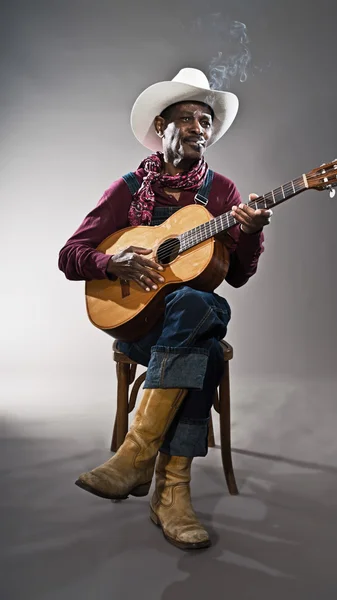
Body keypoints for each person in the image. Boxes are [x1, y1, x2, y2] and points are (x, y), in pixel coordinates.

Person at [58, 68, 272, 550]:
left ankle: (139, 462)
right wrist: (113, 263)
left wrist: (252, 232)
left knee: (199, 306)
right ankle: (170, 495)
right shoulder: (129, 189)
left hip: (182, 323)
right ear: (162, 127)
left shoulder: (222, 195)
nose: (201, 128)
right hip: (138, 325)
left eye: (207, 120)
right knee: (207, 339)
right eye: (189, 119)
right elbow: (69, 255)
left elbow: (235, 274)